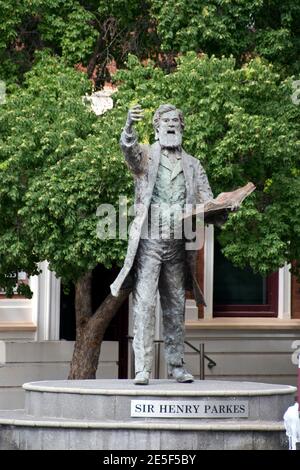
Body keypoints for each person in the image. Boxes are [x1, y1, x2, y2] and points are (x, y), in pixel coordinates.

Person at [110, 104, 214, 385]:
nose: (170, 125)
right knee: (144, 304)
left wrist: (224, 208)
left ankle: (177, 366)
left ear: (182, 127)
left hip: (179, 245)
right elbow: (128, 153)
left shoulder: (194, 165)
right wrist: (129, 127)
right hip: (150, 243)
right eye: (165, 121)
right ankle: (142, 368)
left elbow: (208, 201)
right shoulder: (145, 156)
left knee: (176, 305)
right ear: (156, 127)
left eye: (175, 121)